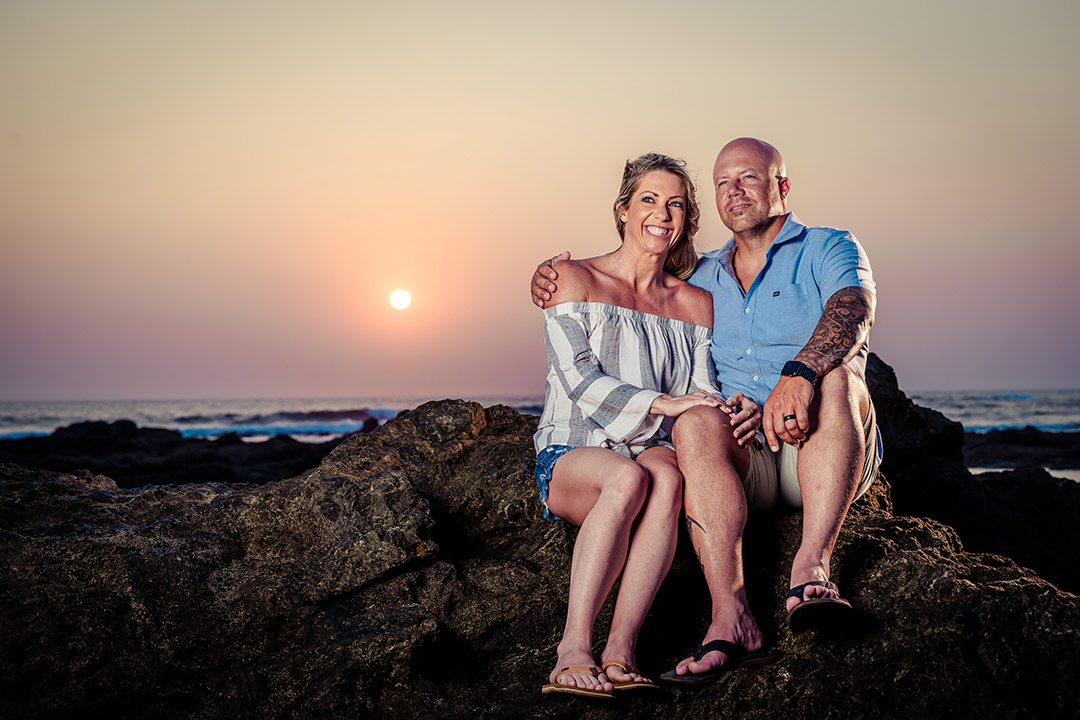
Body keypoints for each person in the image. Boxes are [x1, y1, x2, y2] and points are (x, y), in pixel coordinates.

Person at [531, 138, 881, 684]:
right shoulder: (695, 278)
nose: (734, 191)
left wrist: (799, 375)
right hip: (697, 449)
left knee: (834, 380)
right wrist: (720, 405)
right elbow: (642, 383)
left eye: (748, 178)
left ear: (781, 187)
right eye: (723, 183)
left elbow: (851, 307)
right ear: (623, 209)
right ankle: (707, 622)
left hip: (815, 436)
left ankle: (808, 569)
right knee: (672, 444)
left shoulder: (819, 249)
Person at [533, 153, 762, 698]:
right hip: (576, 446)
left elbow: (701, 388)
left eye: (676, 204)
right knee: (627, 479)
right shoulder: (572, 277)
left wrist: (735, 405)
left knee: (669, 480)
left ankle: (619, 652)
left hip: (652, 444)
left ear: (687, 219)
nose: (663, 213)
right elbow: (578, 380)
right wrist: (665, 403)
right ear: (623, 209)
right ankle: (572, 651)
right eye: (649, 200)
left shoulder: (696, 302)